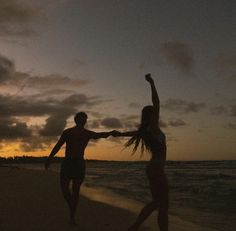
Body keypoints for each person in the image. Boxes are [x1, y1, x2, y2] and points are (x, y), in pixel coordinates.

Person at [113, 74, 168, 231]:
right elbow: (157, 103)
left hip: (153, 168)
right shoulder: (153, 128)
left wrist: (120, 134)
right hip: (156, 168)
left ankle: (135, 227)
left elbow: (133, 133)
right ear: (152, 116)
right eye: (155, 114)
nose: (157, 115)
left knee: (159, 203)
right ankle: (135, 226)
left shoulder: (145, 131)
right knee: (161, 204)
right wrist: (152, 82)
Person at [45, 112, 114, 225]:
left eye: (85, 118)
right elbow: (58, 145)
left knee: (76, 190)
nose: (83, 120)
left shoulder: (87, 133)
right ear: (76, 120)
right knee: (65, 190)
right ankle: (72, 204)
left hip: (79, 164)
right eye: (81, 118)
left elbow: (100, 135)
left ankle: (72, 218)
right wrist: (49, 159)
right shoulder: (68, 132)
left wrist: (111, 133)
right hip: (67, 163)